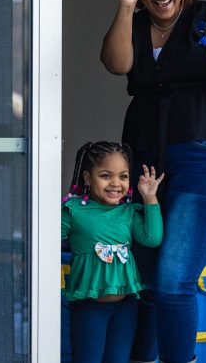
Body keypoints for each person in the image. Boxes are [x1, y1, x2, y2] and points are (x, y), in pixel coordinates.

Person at [100, 0, 206, 363]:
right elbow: (116, 64)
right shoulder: (133, 20)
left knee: (172, 281)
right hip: (146, 163)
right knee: (146, 281)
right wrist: (126, 5)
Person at [61, 141, 164, 363]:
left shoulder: (128, 212)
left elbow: (152, 238)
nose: (116, 183)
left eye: (123, 176)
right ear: (88, 178)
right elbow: (44, 240)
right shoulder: (74, 209)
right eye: (106, 175)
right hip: (89, 306)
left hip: (125, 306)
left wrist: (150, 199)